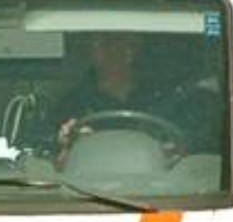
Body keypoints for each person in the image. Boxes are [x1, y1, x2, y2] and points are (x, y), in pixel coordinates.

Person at [47, 30, 211, 159]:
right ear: (91, 50)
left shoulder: (165, 97)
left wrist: (174, 147)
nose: (115, 51)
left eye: (124, 42)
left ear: (135, 48)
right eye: (105, 43)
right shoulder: (70, 104)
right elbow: (49, 154)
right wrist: (67, 143)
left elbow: (191, 144)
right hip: (88, 190)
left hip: (162, 190)